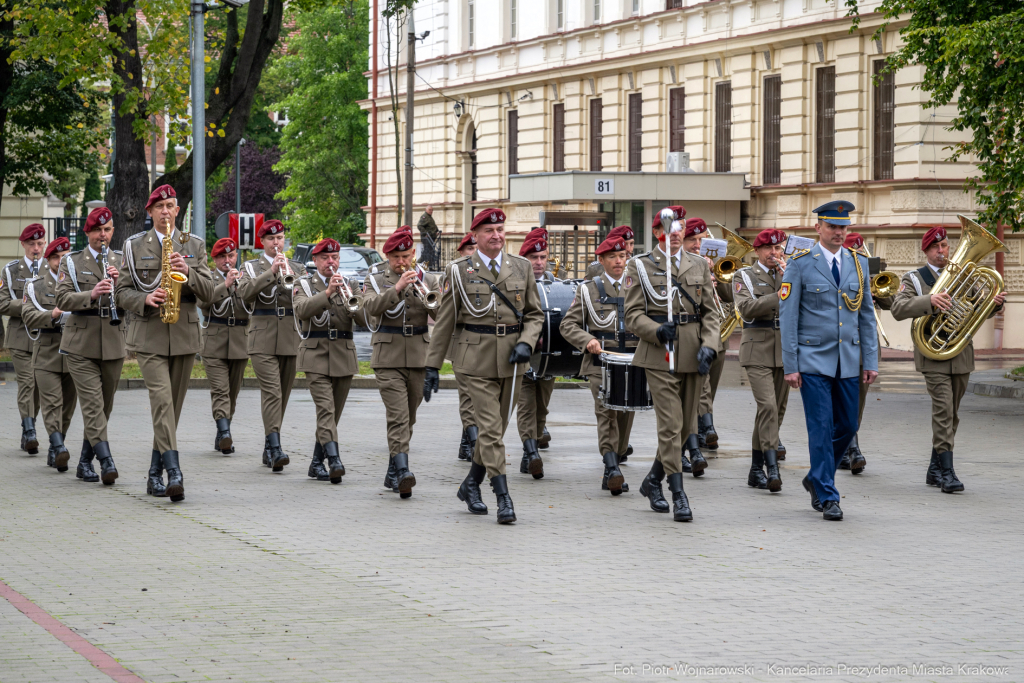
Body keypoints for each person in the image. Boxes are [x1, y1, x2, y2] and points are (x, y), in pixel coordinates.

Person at [423, 208, 544, 524]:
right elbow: (445, 320)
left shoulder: (520, 268)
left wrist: (526, 342)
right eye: (489, 231)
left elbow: (534, 314)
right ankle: (503, 497)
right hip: (473, 360)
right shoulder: (459, 271)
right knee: (490, 430)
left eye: (501, 230)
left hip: (511, 361)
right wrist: (432, 366)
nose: (497, 236)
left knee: (497, 430)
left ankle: (470, 485)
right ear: (475, 236)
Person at [115, 185, 216, 502]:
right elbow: (120, 293)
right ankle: (174, 473)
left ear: (178, 210)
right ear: (150, 212)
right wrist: (145, 298)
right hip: (149, 336)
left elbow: (210, 294)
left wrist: (190, 272)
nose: (166, 211)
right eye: (159, 206)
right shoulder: (133, 247)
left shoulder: (194, 245)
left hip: (184, 335)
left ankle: (153, 475)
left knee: (171, 412)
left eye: (171, 205)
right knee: (162, 403)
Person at [779, 201, 879, 521]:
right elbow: (789, 316)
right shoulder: (800, 264)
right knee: (820, 428)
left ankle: (816, 475)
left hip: (848, 358)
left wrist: (871, 360)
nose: (839, 232)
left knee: (849, 425)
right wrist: (791, 365)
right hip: (812, 359)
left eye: (843, 227)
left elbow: (866, 316)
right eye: (833, 227)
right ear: (818, 228)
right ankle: (827, 493)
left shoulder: (858, 263)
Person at [890, 225, 1005, 493]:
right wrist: (929, 300)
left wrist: (994, 303)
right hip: (933, 353)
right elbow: (897, 308)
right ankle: (948, 473)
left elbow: (977, 311)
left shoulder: (966, 275)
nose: (942, 251)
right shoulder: (914, 279)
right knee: (943, 411)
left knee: (951, 415)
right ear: (926, 251)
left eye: (945, 246)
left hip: (960, 353)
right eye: (935, 248)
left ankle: (934, 469)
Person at [624, 209, 721, 522]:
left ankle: (653, 480)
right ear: (657, 233)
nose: (677, 233)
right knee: (671, 425)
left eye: (680, 228)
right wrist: (654, 331)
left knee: (685, 428)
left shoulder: (698, 265)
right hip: (659, 353)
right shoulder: (639, 265)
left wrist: (709, 345)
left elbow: (710, 312)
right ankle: (678, 493)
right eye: (670, 228)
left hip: (693, 351)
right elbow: (632, 315)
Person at [362, 227, 440, 498]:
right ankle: (404, 471)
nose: (402, 262)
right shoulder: (375, 278)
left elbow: (442, 313)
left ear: (414, 253)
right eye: (396, 257)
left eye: (406, 255)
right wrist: (396, 288)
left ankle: (393, 467)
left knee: (409, 417)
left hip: (418, 354)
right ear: (387, 256)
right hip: (387, 355)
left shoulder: (428, 278)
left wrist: (427, 294)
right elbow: (370, 308)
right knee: (398, 416)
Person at [560, 233, 638, 495]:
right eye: (613, 257)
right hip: (600, 362)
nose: (619, 261)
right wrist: (587, 339)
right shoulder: (589, 289)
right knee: (607, 413)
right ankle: (613, 466)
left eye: (622, 256)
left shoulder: (637, 285)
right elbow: (567, 325)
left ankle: (611, 465)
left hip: (632, 359)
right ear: (601, 259)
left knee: (626, 413)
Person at [55, 207, 127, 485]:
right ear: (88, 233)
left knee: (104, 408)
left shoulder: (120, 260)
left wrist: (120, 286)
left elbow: (131, 298)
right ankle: (106, 460)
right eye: (98, 230)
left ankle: (85, 461)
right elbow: (62, 299)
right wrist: (91, 293)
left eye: (107, 229)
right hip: (80, 343)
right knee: (93, 406)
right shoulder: (71, 262)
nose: (103, 235)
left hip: (113, 341)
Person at [292, 238, 364, 485]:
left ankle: (315, 462)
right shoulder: (303, 283)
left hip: (343, 354)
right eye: (325, 258)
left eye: (334, 258)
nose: (330, 262)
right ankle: (334, 461)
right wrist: (328, 293)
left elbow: (366, 320)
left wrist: (352, 303)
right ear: (315, 260)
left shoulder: (352, 283)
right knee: (326, 410)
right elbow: (301, 311)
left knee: (333, 416)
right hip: (315, 354)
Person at [236, 220, 305, 472]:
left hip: (289, 336)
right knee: (273, 392)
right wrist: (271, 272)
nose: (277, 243)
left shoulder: (296, 267)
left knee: (283, 395)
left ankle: (268, 444)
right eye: (271, 239)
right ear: (262, 242)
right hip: (262, 336)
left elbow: (304, 295)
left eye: (281, 238)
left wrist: (290, 273)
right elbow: (244, 294)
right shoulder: (251, 267)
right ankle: (276, 448)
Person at [733, 228, 789, 493]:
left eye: (779, 248)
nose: (774, 254)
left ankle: (755, 469)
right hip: (757, 347)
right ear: (757, 251)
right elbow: (746, 309)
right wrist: (780, 295)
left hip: (785, 350)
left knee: (774, 411)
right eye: (769, 248)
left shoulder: (789, 274)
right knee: (767, 406)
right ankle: (771, 468)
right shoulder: (744, 275)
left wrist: (791, 280)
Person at [838, 232, 894, 474]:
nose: (859, 256)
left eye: (863, 253)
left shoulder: (868, 275)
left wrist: (877, 286)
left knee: (857, 402)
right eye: (856, 252)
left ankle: (846, 447)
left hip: (866, 348)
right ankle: (852, 450)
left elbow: (892, 304)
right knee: (843, 401)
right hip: (843, 345)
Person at [22, 237, 78, 473]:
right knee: (52, 403)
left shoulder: (78, 283)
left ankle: (57, 446)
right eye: (56, 257)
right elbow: (28, 316)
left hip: (74, 351)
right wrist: (53, 314)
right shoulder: (36, 285)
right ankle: (58, 444)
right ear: (49, 259)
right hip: (46, 352)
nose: (61, 261)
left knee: (68, 405)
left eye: (65, 256)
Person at [682, 217, 734, 454]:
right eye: (691, 240)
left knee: (709, 389)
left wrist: (715, 274)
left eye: (701, 240)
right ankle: (700, 430)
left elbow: (728, 296)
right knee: (698, 388)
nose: (696, 245)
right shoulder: (679, 264)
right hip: (692, 335)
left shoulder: (711, 263)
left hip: (717, 336)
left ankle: (701, 431)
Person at [198, 237, 249, 454]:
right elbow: (203, 302)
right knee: (220, 390)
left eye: (230, 256)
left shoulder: (245, 278)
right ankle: (226, 433)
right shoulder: (208, 278)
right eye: (222, 257)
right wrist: (226, 285)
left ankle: (221, 434)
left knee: (232, 394)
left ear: (236, 256)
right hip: (214, 341)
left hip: (239, 340)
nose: (227, 261)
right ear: (215, 259)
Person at [515, 230, 557, 477]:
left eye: (543, 257)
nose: (539, 262)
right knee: (527, 407)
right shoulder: (515, 281)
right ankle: (530, 452)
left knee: (542, 408)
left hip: (548, 358)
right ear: (524, 259)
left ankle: (530, 449)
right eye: (534, 257)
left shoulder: (555, 283)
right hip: (523, 357)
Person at [1, 223, 45, 453]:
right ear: (23, 244)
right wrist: (27, 303)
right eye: (31, 244)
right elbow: (2, 303)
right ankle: (30, 432)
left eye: (39, 244)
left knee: (38, 386)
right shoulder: (11, 270)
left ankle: (29, 426)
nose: (36, 249)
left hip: (45, 337)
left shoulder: (51, 268)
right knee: (27, 382)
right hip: (20, 336)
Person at [445, 232, 479, 461]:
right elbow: (447, 313)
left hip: (483, 344)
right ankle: (475, 444)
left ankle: (465, 443)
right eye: (469, 249)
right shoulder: (454, 272)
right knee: (468, 395)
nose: (473, 253)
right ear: (461, 252)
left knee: (478, 398)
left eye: (476, 249)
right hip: (461, 341)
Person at [417, 205, 441, 270]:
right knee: (426, 252)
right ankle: (417, 264)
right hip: (427, 238)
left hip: (431, 237)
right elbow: (419, 226)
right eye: (430, 210)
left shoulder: (430, 217)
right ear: (426, 210)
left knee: (430, 252)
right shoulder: (424, 217)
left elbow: (432, 226)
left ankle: (430, 267)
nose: (431, 211)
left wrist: (436, 231)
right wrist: (425, 233)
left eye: (432, 210)